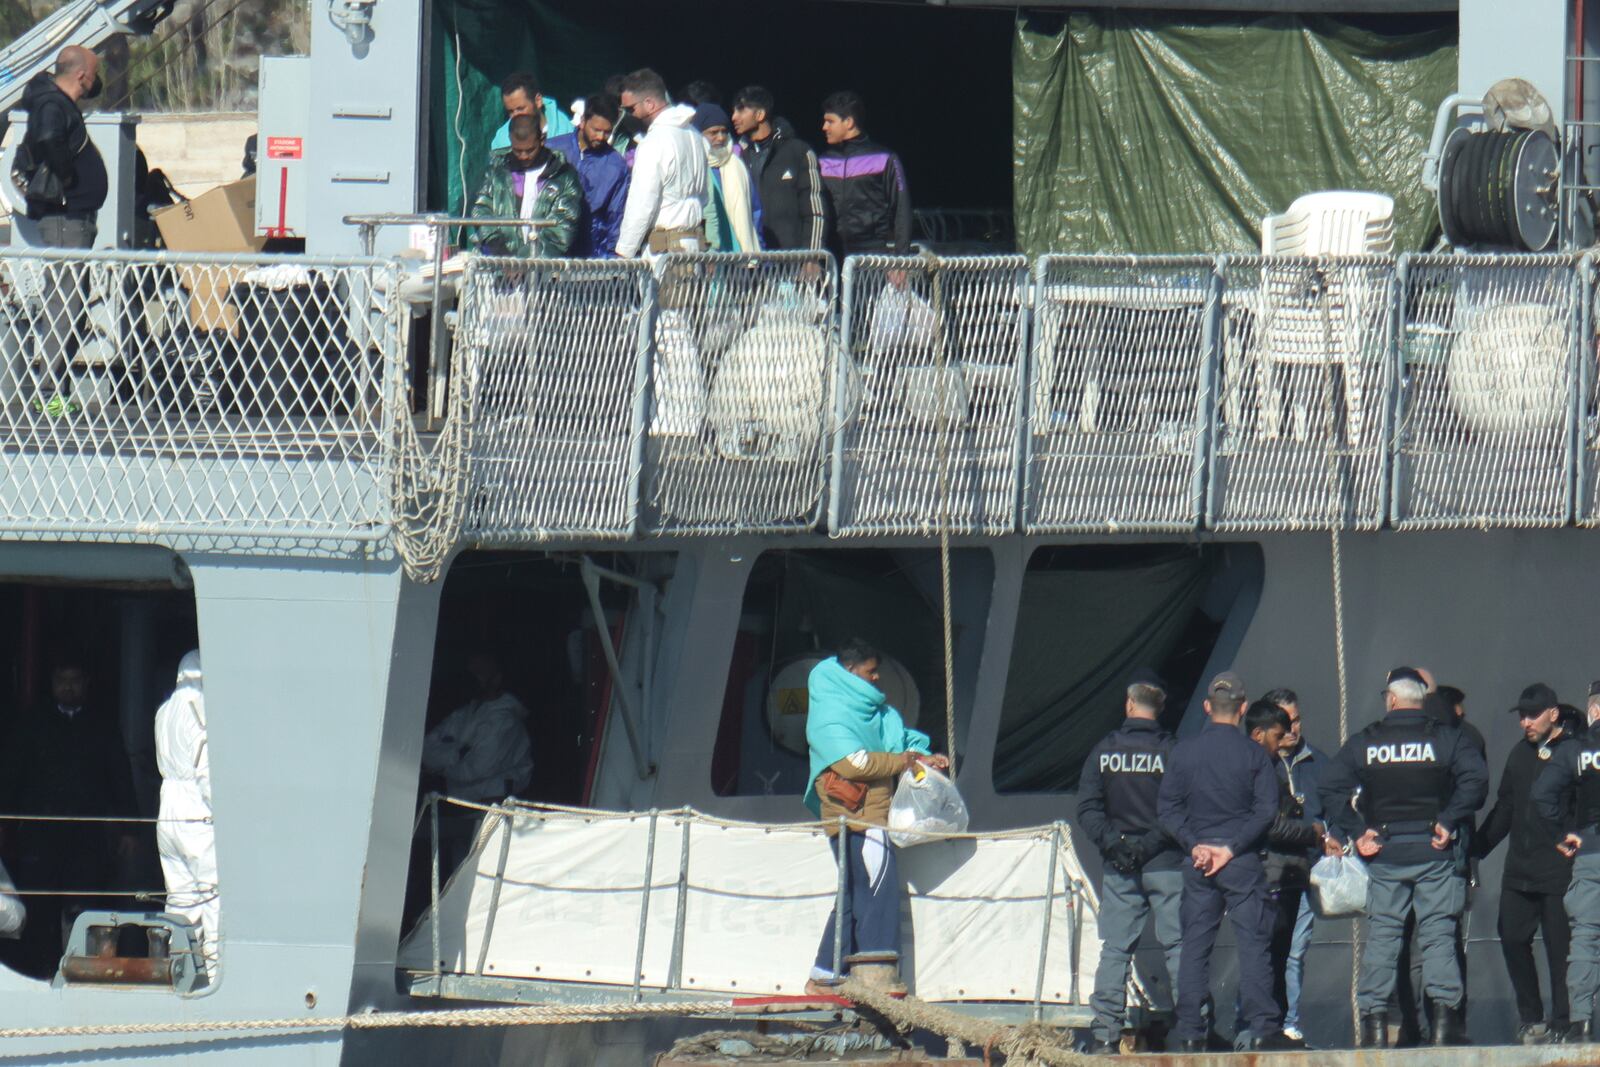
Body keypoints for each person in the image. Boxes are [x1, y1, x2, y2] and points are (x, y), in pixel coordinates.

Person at [1318, 667, 1488, 1047]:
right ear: (1421, 700)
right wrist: (1448, 819)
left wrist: (1358, 831)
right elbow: (1476, 781)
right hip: (1434, 851)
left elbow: (1329, 785)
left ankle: (1375, 1024)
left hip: (1387, 854)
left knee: (1383, 937)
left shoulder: (1367, 741)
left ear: (1391, 700)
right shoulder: (1445, 739)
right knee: (1439, 937)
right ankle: (1444, 1024)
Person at [802, 639, 948, 996]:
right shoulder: (829, 715)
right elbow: (855, 763)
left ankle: (823, 974)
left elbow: (899, 742)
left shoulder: (876, 713)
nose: (877, 676)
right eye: (870, 671)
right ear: (852, 672)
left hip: (871, 816)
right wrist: (905, 762)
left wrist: (920, 756)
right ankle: (874, 972)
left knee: (853, 895)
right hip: (857, 818)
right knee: (876, 891)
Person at [1157, 672, 1294, 1051]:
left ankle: (1189, 1033)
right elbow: (1266, 811)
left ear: (1206, 707)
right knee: (1253, 944)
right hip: (1241, 860)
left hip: (1198, 862)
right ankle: (1262, 1028)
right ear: (1244, 708)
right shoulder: (1254, 755)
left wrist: (1194, 845)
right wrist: (1231, 848)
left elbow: (1167, 809)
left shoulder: (1183, 752)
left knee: (1195, 947)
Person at [0, 662, 137, 978]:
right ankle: (37, 969)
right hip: (39, 832)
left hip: (86, 834)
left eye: (75, 680)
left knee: (84, 903)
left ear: (86, 682)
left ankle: (81, 971)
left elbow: (119, 775)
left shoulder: (101, 724)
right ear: (52, 682)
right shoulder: (32, 723)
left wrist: (131, 828)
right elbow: (11, 774)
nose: (68, 687)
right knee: (39, 906)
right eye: (62, 680)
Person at [1075, 672, 1182, 1055]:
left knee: (1116, 949)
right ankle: (1189, 1030)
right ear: (1162, 708)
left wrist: (1115, 843)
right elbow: (1179, 810)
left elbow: (1087, 808)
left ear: (1128, 704)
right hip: (1165, 862)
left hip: (1120, 866)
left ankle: (1104, 1033)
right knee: (1178, 946)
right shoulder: (1173, 751)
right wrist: (1148, 844)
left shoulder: (1104, 750)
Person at [1476, 682, 1574, 1043]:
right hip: (1520, 870)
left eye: (1533, 715)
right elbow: (1505, 808)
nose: (1526, 723)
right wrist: (1476, 848)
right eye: (1522, 716)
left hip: (1558, 871)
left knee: (1559, 948)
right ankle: (1531, 1016)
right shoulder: (1519, 754)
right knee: (1512, 937)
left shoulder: (1575, 752)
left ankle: (1564, 1021)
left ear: (1554, 713)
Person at [1258, 688, 1327, 1043]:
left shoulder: (1319, 764)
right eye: (1285, 721)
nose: (1292, 728)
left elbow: (1338, 812)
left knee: (1294, 953)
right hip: (1268, 872)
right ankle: (1259, 1021)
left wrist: (1332, 839)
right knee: (1264, 950)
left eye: (1296, 719)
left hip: (1304, 872)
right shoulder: (1259, 764)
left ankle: (1289, 1022)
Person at [1532, 681, 1600, 1042]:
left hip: (1589, 850)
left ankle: (1582, 1022)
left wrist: (1563, 833)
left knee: (1586, 938)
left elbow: (1542, 795)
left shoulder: (1575, 749)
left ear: (1594, 711)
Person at [154, 650, 219, 976]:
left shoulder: (165, 710)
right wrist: (222, 811)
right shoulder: (199, 708)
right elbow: (205, 766)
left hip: (168, 807)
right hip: (196, 808)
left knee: (180, 896)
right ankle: (214, 972)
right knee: (213, 893)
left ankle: (177, 966)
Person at [616, 69, 709, 259]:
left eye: (630, 109)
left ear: (649, 103)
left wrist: (625, 251)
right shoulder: (695, 136)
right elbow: (704, 196)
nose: (627, 115)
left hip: (665, 249)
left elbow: (642, 203)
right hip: (695, 245)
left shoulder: (653, 142)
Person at [20, 46, 104, 248]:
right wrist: (67, 177)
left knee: (73, 278)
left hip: (74, 218)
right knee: (66, 279)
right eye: (94, 74)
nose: (96, 81)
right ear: (81, 76)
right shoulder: (51, 104)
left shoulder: (60, 103)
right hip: (64, 220)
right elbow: (49, 138)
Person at [468, 113, 583, 258]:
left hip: (543, 272)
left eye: (529, 150)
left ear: (542, 139)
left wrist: (524, 262)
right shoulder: (494, 173)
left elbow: (563, 228)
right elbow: (481, 210)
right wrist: (501, 253)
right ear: (510, 140)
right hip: (497, 267)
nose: (523, 156)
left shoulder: (564, 176)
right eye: (517, 150)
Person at [818, 91, 912, 257]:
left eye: (830, 121)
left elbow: (902, 210)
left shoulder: (884, 158)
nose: (824, 127)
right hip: (832, 255)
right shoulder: (822, 161)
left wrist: (901, 260)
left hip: (873, 254)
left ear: (849, 122)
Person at [731, 86, 826, 251]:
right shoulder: (735, 157)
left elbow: (815, 209)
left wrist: (812, 254)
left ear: (760, 114)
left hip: (792, 261)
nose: (734, 117)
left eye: (740, 110)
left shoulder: (798, 151)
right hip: (750, 261)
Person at [547, 92, 630, 257]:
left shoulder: (616, 165)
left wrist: (613, 258)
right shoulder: (552, 150)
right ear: (583, 122)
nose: (600, 137)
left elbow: (616, 216)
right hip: (549, 248)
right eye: (596, 130)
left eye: (607, 132)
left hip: (591, 255)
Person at [692, 103, 761, 253]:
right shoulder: (694, 166)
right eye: (713, 132)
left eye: (724, 132)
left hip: (739, 258)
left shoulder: (736, 165)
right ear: (698, 134)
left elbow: (755, 212)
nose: (721, 138)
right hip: (705, 255)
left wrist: (758, 247)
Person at [489, 71, 573, 152]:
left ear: (538, 100)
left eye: (520, 109)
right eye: (511, 111)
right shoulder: (501, 142)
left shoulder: (566, 131)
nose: (515, 116)